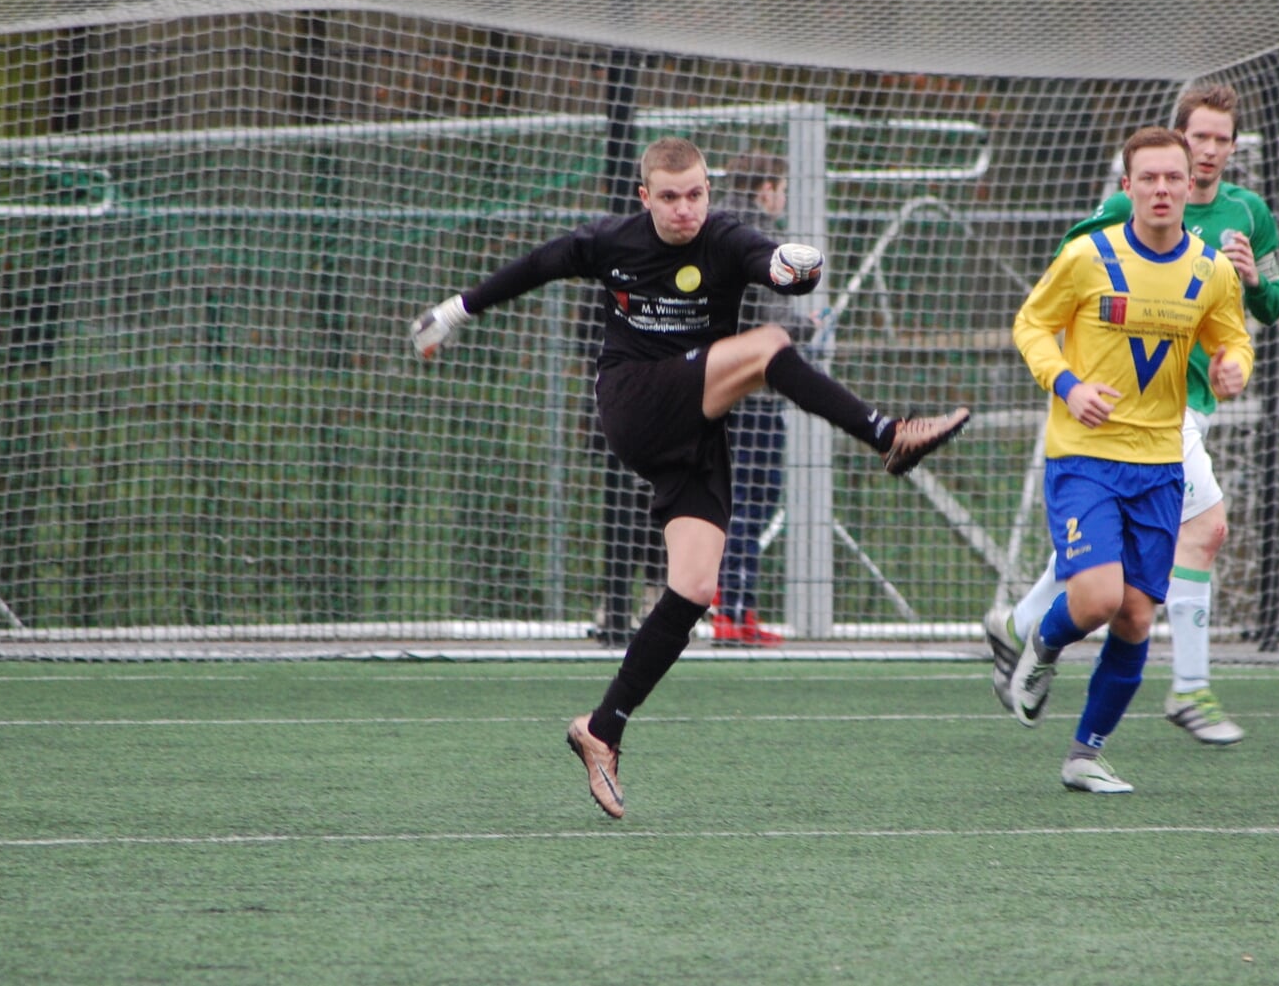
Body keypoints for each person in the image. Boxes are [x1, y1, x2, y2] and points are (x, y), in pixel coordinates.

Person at [411, 137, 970, 818]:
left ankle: (602, 727)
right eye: (669, 197)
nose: (684, 209)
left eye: (695, 194)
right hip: (636, 401)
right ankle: (887, 435)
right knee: (768, 348)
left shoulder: (726, 236)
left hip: (695, 427)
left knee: (695, 585)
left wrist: (795, 269)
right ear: (645, 198)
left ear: (709, 190)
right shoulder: (612, 240)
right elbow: (538, 264)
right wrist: (454, 311)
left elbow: (772, 265)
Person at [988, 83, 1279, 745]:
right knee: (1200, 533)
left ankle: (1028, 637)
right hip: (1121, 421)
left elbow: (1263, 310)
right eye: (1197, 136)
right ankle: (1187, 686)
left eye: (1219, 140)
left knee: (1121, 595)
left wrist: (1251, 297)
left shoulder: (1245, 218)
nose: (1207, 151)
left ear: (1229, 151)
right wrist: (1070, 380)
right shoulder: (1115, 224)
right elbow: (1064, 283)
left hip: (1186, 413)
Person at [712, 152, 801, 647]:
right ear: (765, 188)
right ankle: (729, 607)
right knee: (748, 499)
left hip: (735, 393)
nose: (783, 197)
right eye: (781, 186)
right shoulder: (756, 239)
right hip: (750, 394)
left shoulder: (722, 231)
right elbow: (764, 319)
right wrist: (800, 332)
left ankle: (740, 609)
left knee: (750, 499)